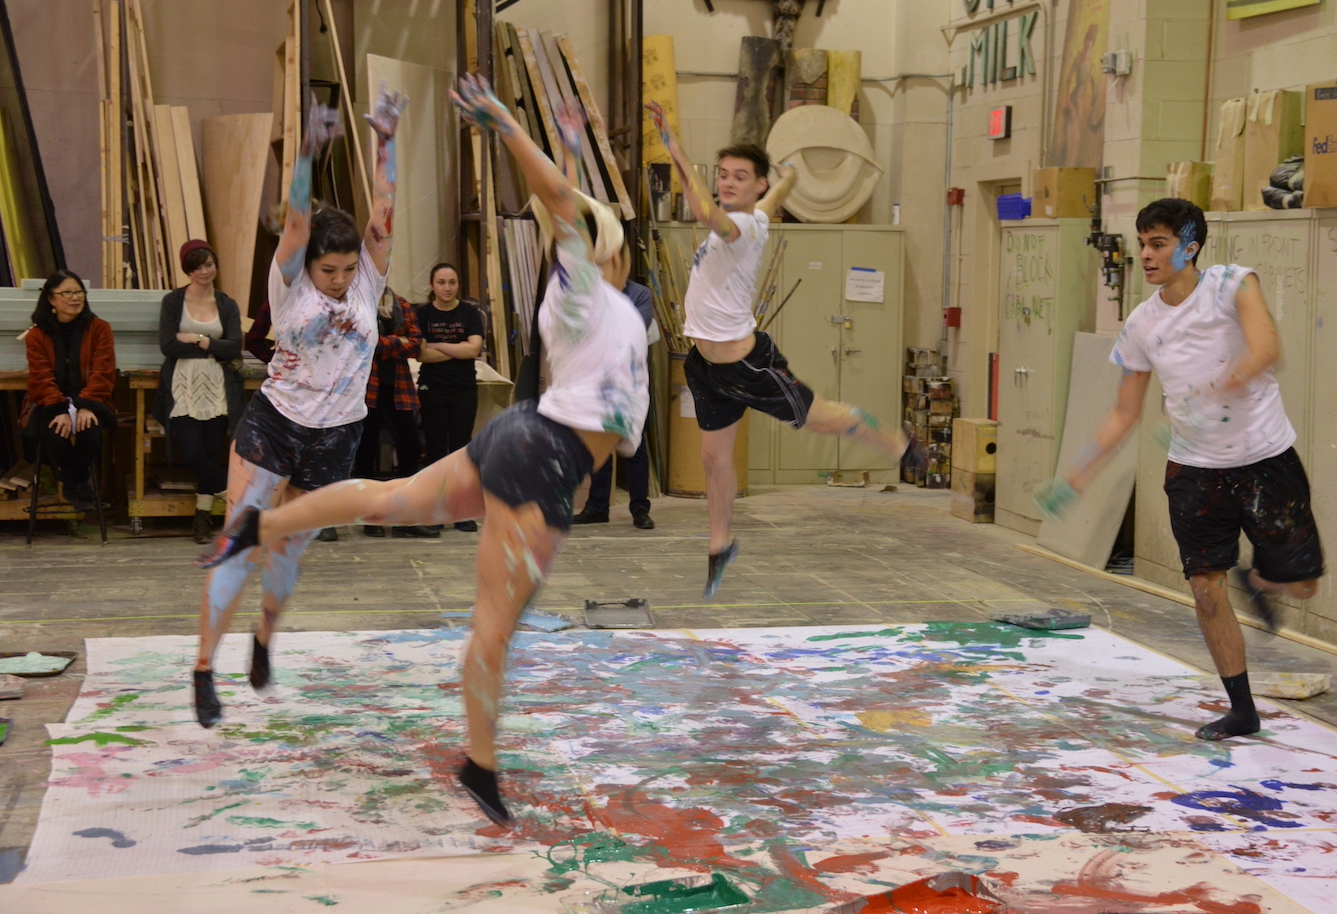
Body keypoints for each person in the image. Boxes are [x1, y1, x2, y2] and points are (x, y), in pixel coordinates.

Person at [200, 77, 647, 826]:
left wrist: (558, 142)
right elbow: (558, 198)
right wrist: (510, 125)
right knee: (493, 628)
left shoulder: (604, 308)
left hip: (519, 439)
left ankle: (261, 528)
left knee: (387, 499)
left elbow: (553, 199)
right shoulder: (583, 290)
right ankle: (478, 763)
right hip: (542, 461)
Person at [1034, 198, 1323, 742]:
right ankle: (1242, 708)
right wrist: (1078, 474)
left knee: (1302, 585)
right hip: (1194, 471)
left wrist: (1227, 382)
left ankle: (1259, 577)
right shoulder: (1142, 324)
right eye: (1142, 243)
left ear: (1190, 247)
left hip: (1265, 460)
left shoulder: (1233, 284)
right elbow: (1124, 413)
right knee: (1205, 591)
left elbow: (1267, 346)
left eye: (1158, 243)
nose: (1145, 254)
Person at [191, 88, 406, 728]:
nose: (340, 279)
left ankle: (263, 636)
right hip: (274, 426)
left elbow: (385, 213)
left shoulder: (368, 279)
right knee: (238, 544)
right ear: (307, 265)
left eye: (347, 269)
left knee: (285, 556)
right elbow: (292, 222)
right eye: (329, 270)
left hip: (336, 439)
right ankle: (204, 668)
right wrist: (310, 147)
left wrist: (385, 140)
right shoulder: (287, 288)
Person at [647, 101, 923, 598]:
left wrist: (673, 144)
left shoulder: (740, 228)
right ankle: (720, 543)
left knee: (822, 418)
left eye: (739, 177)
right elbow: (772, 202)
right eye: (723, 175)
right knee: (714, 458)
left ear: (753, 185)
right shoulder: (758, 215)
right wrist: (788, 181)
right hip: (706, 367)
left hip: (749, 366)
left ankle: (901, 446)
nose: (727, 182)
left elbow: (703, 209)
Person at [155, 240, 245, 543]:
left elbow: (235, 346)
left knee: (210, 452)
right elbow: (167, 344)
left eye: (208, 264)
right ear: (188, 271)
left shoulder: (227, 303)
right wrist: (210, 345)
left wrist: (198, 339)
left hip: (218, 385)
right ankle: (238, 502)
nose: (204, 271)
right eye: (196, 267)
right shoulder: (173, 301)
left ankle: (202, 519)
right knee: (192, 452)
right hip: (183, 383)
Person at [21, 270, 116, 507]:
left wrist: (87, 405)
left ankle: (72, 480)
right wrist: (58, 408)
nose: (76, 298)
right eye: (67, 293)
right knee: (54, 432)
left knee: (90, 428)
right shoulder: (36, 335)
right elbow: (40, 376)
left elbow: (103, 371)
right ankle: (80, 481)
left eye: (79, 292)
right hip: (49, 401)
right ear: (51, 299)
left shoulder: (99, 328)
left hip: (88, 398)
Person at [246, 301, 336, 544]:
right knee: (287, 456)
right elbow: (253, 339)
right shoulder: (282, 298)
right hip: (287, 394)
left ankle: (321, 519)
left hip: (325, 392)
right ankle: (287, 519)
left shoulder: (335, 303)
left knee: (322, 454)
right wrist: (280, 363)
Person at [575, 275, 656, 529]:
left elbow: (636, 330)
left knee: (636, 446)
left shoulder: (640, 294)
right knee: (598, 444)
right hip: (598, 379)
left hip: (630, 382)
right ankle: (597, 507)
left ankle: (640, 510)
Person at [355, 283, 431, 538]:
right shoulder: (358, 304)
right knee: (366, 452)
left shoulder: (401, 303)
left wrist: (382, 344)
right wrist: (397, 342)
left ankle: (403, 517)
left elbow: (417, 344)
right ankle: (371, 517)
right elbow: (361, 343)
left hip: (398, 387)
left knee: (409, 446)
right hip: (368, 388)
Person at [416, 262, 485, 533]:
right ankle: (434, 511)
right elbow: (421, 354)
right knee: (434, 449)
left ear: (458, 285)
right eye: (442, 282)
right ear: (432, 285)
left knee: (461, 450)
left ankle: (461, 510)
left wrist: (437, 345)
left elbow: (474, 351)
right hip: (432, 388)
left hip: (464, 388)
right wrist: (459, 347)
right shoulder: (422, 314)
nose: (447, 287)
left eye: (452, 282)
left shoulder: (470, 313)